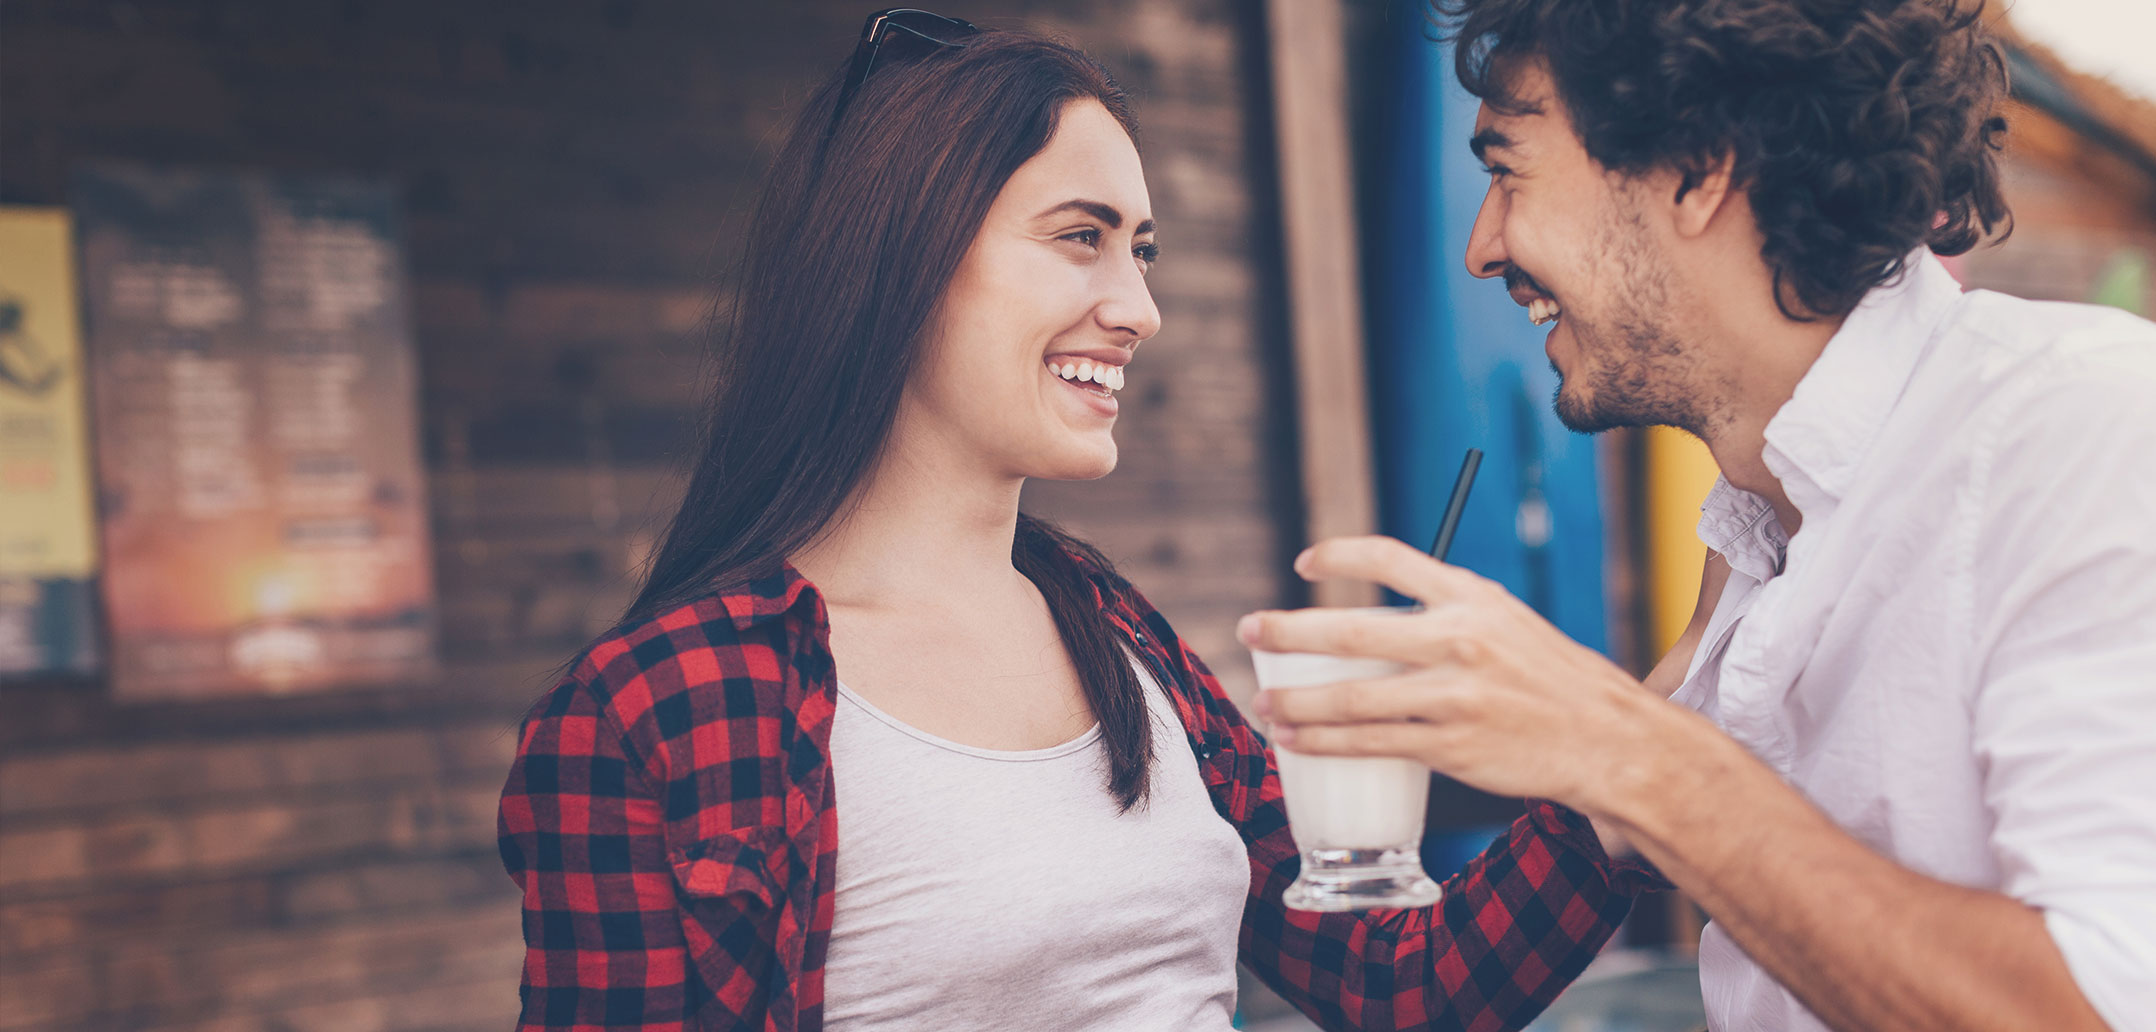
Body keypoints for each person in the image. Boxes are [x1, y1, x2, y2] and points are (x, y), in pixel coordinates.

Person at [496, 11, 1661, 1032]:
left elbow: (1400, 990)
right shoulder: (649, 713)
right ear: (900, 256)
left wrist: (1634, 764)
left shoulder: (1111, 630)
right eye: (1080, 237)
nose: (1138, 309)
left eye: (1142, 251)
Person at [1240, 1, 2156, 1030]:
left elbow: (2099, 1008)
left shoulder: (2083, 428)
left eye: (1506, 169)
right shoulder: (1756, 533)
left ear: (1696, 165)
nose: (1480, 247)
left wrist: (1623, 748)